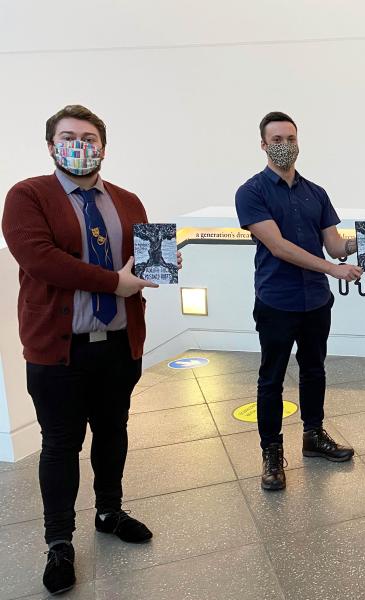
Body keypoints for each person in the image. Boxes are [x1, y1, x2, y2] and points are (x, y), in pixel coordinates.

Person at [2, 105, 180, 595]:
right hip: (58, 352)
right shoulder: (27, 196)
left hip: (119, 344)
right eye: (68, 136)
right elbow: (41, 259)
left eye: (89, 137)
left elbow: (135, 265)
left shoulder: (126, 200)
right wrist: (114, 282)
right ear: (51, 145)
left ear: (104, 146)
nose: (80, 145)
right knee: (60, 445)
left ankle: (109, 510)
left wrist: (157, 266)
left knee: (112, 431)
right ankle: (58, 541)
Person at [235, 111, 365, 491]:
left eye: (291, 138)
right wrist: (332, 269)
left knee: (314, 370)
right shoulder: (251, 192)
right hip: (276, 301)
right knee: (271, 379)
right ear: (263, 145)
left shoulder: (316, 193)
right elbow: (279, 246)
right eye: (277, 140)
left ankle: (313, 437)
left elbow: (334, 245)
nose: (285, 146)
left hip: (315, 301)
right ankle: (271, 454)